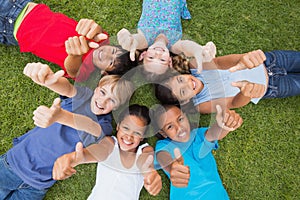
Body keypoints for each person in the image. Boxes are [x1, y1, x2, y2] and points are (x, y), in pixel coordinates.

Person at [0, 62, 134, 199]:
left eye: (112, 100)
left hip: (37, 186)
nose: (103, 101)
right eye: (103, 92)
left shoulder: (104, 125)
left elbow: (91, 127)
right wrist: (49, 81)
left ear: (118, 107)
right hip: (13, 164)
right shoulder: (83, 97)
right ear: (96, 89)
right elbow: (67, 89)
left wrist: (62, 117)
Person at [0, 0, 137, 81]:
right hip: (20, 7)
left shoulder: (87, 71)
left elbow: (72, 71)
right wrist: (95, 28)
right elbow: (97, 30)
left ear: (104, 73)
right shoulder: (102, 40)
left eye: (111, 61)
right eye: (113, 50)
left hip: (10, 33)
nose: (107, 53)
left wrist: (75, 55)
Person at [52, 104, 162, 200]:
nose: (129, 136)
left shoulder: (144, 151)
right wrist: (75, 158)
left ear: (143, 137)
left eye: (137, 133)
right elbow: (98, 152)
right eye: (126, 128)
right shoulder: (110, 144)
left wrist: (150, 173)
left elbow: (146, 163)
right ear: (118, 126)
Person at [155, 49, 300, 113]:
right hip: (272, 87)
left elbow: (218, 62)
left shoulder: (195, 67)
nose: (188, 83)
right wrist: (246, 93)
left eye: (181, 79)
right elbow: (233, 103)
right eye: (183, 91)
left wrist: (241, 59)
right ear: (185, 101)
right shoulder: (201, 105)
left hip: (268, 61)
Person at [151, 104, 243, 200]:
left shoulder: (198, 134)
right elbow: (162, 156)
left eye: (180, 119)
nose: (179, 128)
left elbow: (213, 134)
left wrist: (222, 124)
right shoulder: (164, 145)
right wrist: (171, 167)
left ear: (186, 116)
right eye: (170, 126)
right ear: (163, 133)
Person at [117, 0, 216, 81]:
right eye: (162, 60)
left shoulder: (144, 39)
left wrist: (130, 41)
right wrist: (195, 49)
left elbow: (136, 41)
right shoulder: (174, 45)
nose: (158, 54)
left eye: (151, 57)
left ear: (143, 55)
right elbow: (186, 46)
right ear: (169, 61)